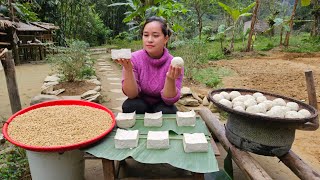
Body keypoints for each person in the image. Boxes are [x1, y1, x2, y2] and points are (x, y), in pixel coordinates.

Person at [116, 16, 183, 114]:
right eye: (146, 35)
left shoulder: (174, 64)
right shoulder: (133, 59)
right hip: (141, 103)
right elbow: (131, 95)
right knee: (130, 105)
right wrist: (128, 69)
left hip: (162, 104)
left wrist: (170, 79)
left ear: (166, 39)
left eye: (155, 35)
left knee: (169, 110)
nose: (149, 40)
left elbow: (169, 100)